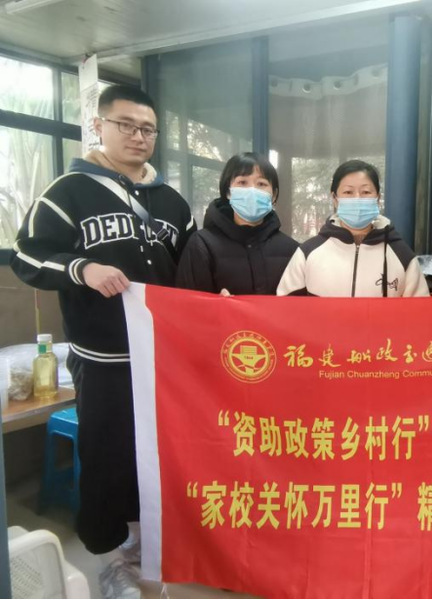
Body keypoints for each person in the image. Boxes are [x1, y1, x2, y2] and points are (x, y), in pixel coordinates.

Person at [11, 85, 196, 599]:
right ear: (100, 126)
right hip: (103, 360)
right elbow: (25, 256)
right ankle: (110, 561)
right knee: (108, 459)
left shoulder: (172, 203)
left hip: (163, 360)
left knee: (159, 458)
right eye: (126, 125)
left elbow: (190, 272)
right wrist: (81, 267)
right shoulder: (68, 192)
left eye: (148, 129)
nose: (139, 136)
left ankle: (148, 548)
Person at [277, 159, 429, 297]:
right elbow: (286, 307)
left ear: (378, 198)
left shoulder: (402, 255)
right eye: (348, 192)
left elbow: (419, 311)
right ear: (335, 199)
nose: (357, 198)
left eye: (366, 192)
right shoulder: (308, 252)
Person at [176, 152, 298, 295]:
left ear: (274, 195)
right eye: (242, 182)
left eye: (261, 184)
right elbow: (187, 303)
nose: (252, 190)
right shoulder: (202, 245)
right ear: (228, 192)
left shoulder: (293, 250)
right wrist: (217, 304)